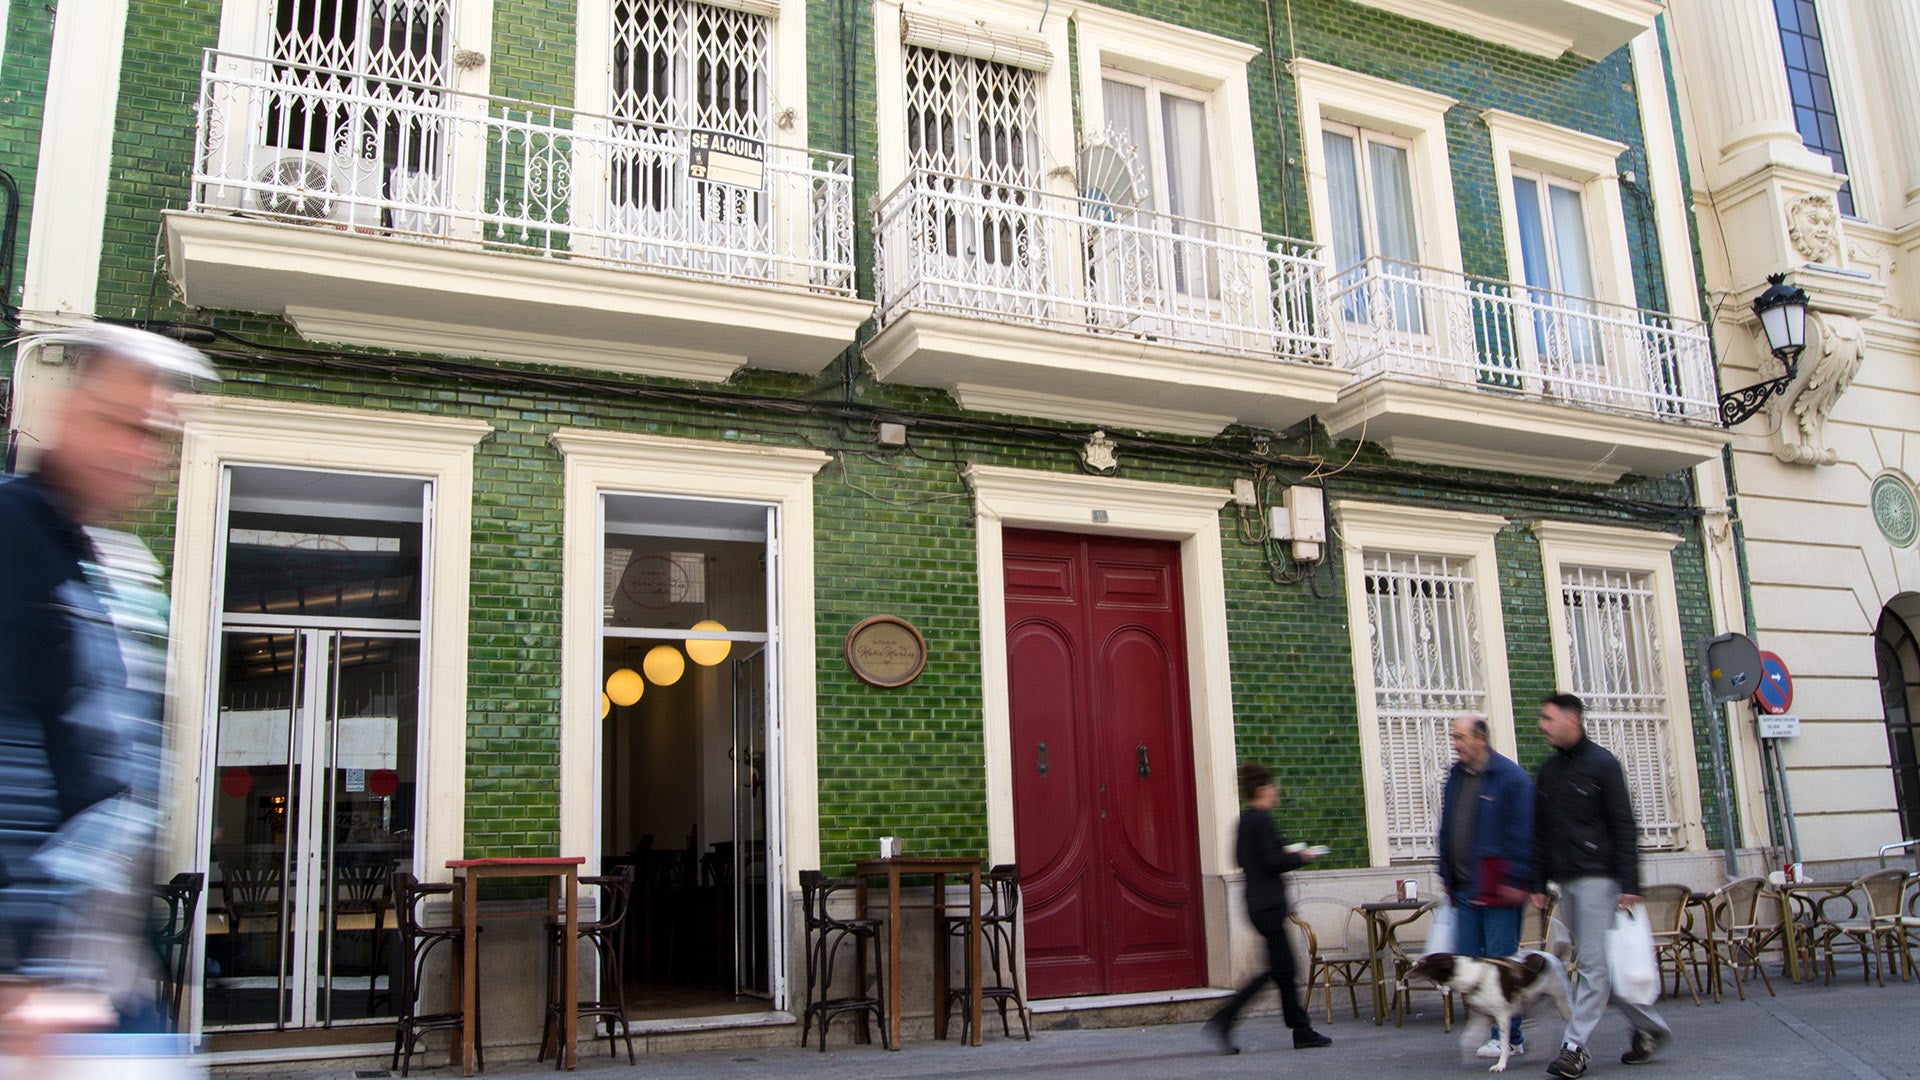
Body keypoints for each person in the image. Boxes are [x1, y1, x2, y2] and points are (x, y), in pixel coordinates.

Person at [0, 324, 217, 1038]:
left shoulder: (110, 566)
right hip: (36, 982)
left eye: (154, 435)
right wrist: (13, 963)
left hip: (100, 973)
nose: (141, 454)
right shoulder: (13, 537)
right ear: (67, 415)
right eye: (120, 426)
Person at [1529, 693, 1671, 1078]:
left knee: (1590, 966)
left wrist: (1630, 883)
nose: (1541, 725)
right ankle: (1651, 1029)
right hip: (1566, 880)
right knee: (1602, 967)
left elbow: (1623, 825)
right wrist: (1538, 882)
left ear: (1571, 720)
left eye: (1548, 718)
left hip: (1600, 879)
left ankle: (1575, 1048)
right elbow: (1540, 831)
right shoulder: (1548, 772)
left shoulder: (1603, 765)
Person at [1203, 762, 1332, 1054]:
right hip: (1269, 904)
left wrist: (1281, 852)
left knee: (1283, 970)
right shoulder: (1262, 820)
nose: (1276, 792)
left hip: (1256, 904)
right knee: (1280, 969)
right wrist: (1301, 857)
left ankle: (1301, 1029)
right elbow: (1273, 861)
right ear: (1262, 789)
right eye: (1273, 787)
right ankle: (1226, 1017)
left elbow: (1243, 857)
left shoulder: (1245, 821)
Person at [1437, 714, 1535, 1060]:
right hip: (1464, 887)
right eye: (1454, 737)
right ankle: (1490, 1026)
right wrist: (1445, 871)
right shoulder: (1455, 776)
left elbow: (1524, 834)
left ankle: (1510, 1035)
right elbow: (1447, 825)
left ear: (1481, 739)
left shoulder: (1511, 779)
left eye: (1461, 737)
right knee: (1469, 963)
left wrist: (1516, 879)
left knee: (1500, 965)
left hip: (1497, 890)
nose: (1456, 744)